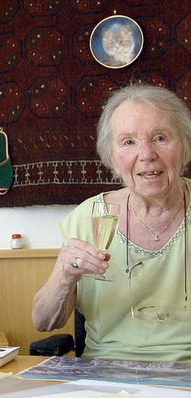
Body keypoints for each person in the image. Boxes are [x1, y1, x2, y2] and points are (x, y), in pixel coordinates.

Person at [32, 83, 191, 362]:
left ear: (185, 148)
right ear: (113, 159)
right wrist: (64, 276)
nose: (146, 154)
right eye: (128, 142)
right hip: (106, 374)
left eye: (160, 138)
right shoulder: (89, 218)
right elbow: (44, 322)